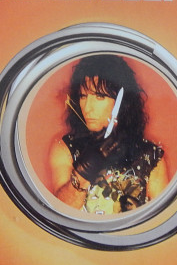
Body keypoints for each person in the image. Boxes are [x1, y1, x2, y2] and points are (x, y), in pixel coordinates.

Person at [50, 55, 168, 214]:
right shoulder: (65, 148)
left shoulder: (150, 156)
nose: (88, 107)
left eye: (99, 96)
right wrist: (83, 173)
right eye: (83, 96)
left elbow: (163, 218)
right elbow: (59, 212)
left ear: (121, 101)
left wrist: (138, 215)